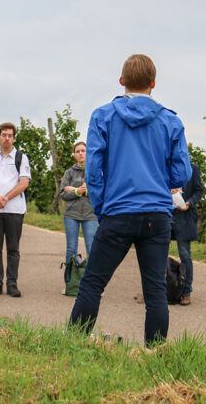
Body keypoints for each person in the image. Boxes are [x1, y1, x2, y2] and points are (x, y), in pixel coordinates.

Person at [69, 54, 192, 345]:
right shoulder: (170, 121)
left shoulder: (103, 116)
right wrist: (159, 180)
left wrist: (102, 208)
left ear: (122, 81)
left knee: (93, 282)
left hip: (118, 211)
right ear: (153, 83)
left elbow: (93, 171)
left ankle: (72, 344)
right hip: (157, 215)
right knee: (155, 290)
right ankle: (155, 352)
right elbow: (182, 173)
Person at [0, 122, 31, 297]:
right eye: (4, 135)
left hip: (15, 209)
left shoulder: (21, 158)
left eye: (10, 136)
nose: (7, 138)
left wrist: (6, 198)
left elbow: (24, 183)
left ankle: (12, 284)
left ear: (14, 138)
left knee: (13, 248)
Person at [58, 141, 97, 264]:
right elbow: (62, 194)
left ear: (87, 153)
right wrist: (77, 191)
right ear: (74, 155)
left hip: (90, 214)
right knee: (71, 249)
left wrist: (77, 190)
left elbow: (99, 192)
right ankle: (71, 276)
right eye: (77, 151)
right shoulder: (68, 172)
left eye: (83, 151)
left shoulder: (94, 171)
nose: (80, 153)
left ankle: (91, 276)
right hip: (71, 215)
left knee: (92, 248)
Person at [171, 165, 203, 305]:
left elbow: (198, 191)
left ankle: (186, 292)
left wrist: (190, 203)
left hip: (184, 217)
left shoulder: (192, 168)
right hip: (165, 213)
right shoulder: (165, 165)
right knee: (157, 252)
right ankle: (156, 290)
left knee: (184, 254)